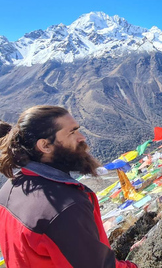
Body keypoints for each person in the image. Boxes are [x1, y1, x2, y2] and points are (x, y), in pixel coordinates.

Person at [0, 106, 137, 268]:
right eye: (72, 132)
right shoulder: (65, 207)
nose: (82, 137)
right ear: (45, 146)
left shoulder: (9, 190)